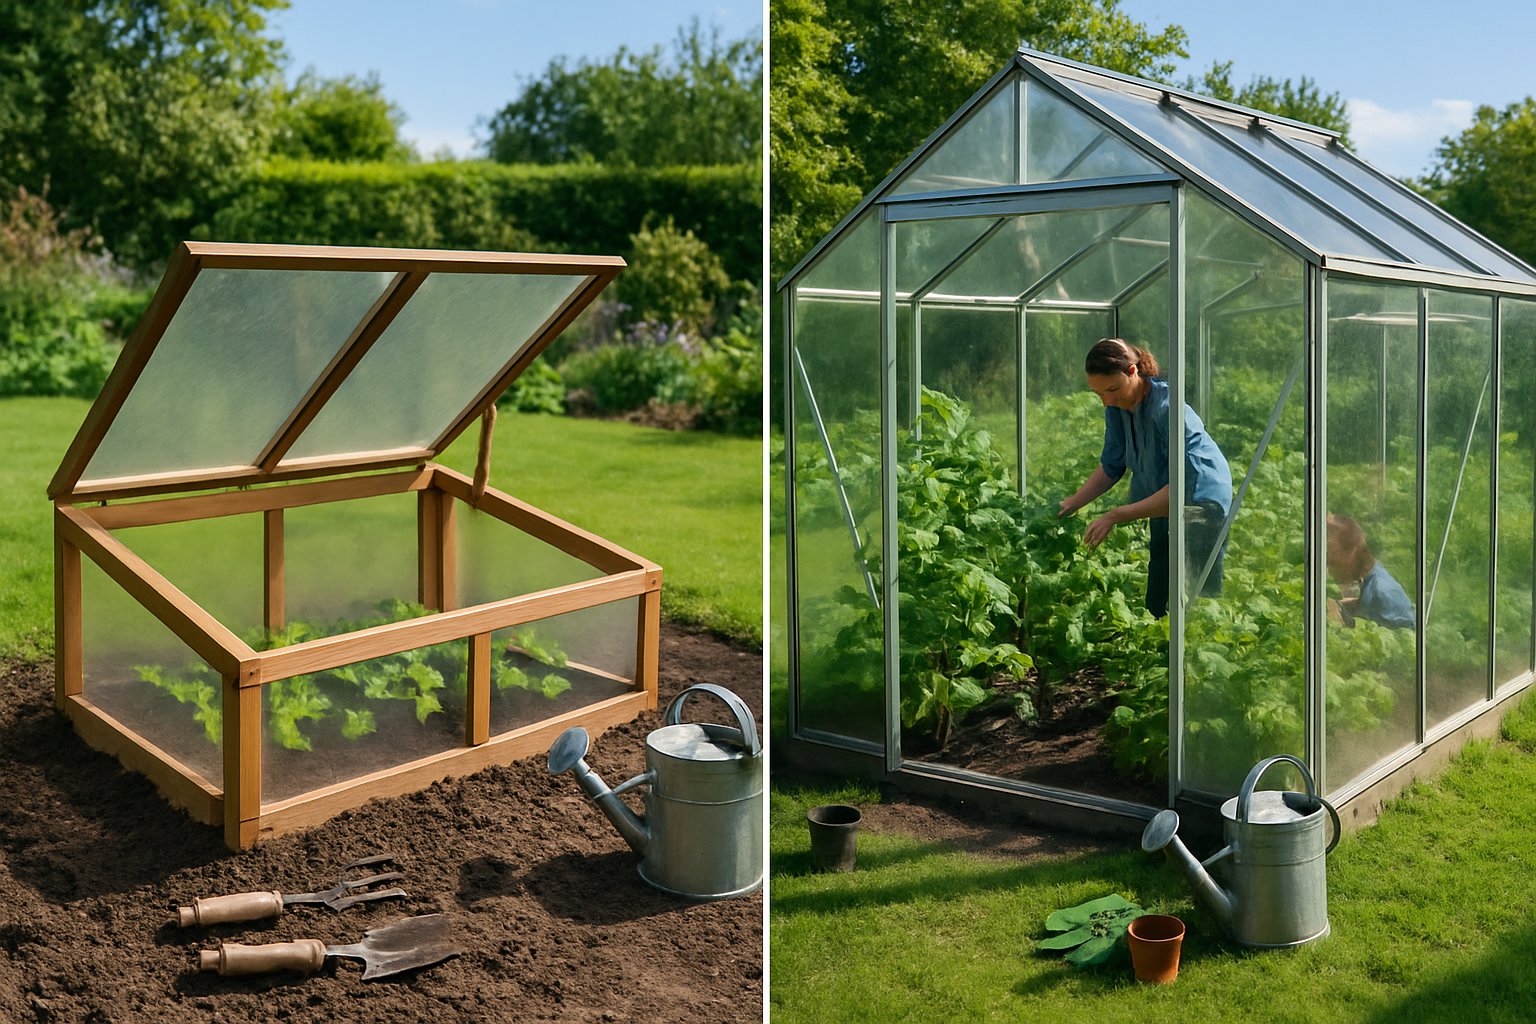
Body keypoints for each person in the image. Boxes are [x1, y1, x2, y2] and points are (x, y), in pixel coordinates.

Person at [1057, 338, 1233, 618]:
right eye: (1099, 394)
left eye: (1112, 390)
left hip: (1200, 503)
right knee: (1158, 602)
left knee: (1200, 601)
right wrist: (1071, 504)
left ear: (1132, 372)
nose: (1107, 400)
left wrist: (1114, 515)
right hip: (1163, 502)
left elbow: (1180, 493)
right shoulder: (1117, 408)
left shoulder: (1167, 410)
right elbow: (1112, 466)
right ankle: (1168, 654)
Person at [1325, 513, 1415, 629]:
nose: (1329, 570)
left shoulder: (1383, 591)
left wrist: (1344, 624)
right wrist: (1350, 605)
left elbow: (1405, 638)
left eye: (1331, 562)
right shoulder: (1371, 579)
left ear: (1351, 552)